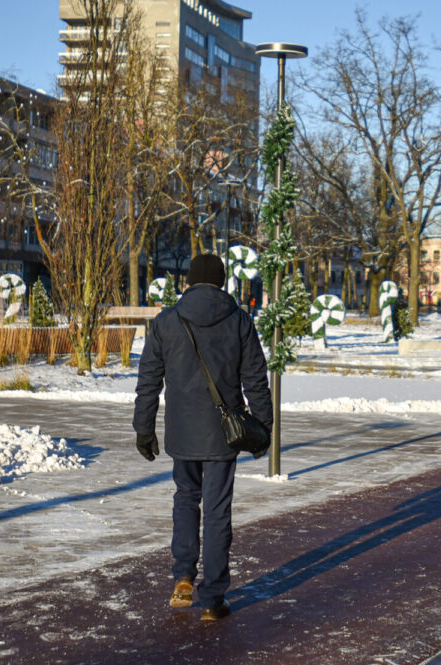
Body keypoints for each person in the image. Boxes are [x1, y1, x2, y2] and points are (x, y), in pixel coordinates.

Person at [134, 252, 271, 622]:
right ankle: (212, 598)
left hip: (182, 431)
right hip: (224, 436)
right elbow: (256, 377)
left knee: (185, 499)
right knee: (216, 511)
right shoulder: (239, 320)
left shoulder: (167, 321)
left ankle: (182, 576)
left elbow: (149, 380)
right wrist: (263, 427)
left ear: (189, 281)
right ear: (223, 283)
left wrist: (143, 428)